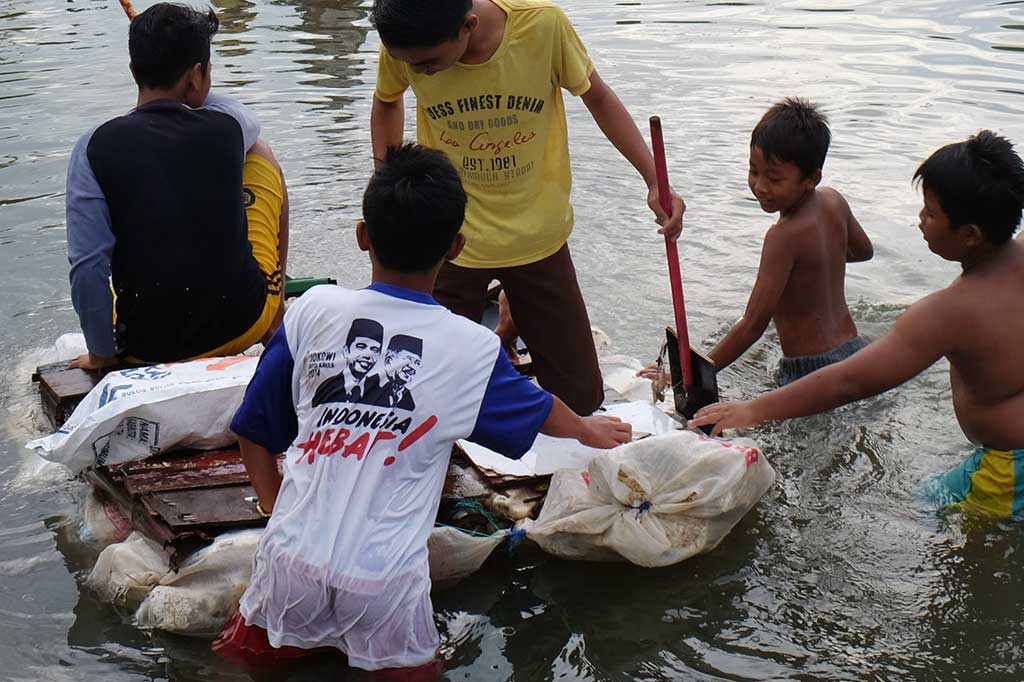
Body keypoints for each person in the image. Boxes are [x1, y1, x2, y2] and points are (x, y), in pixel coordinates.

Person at [213, 143, 632, 679]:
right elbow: (542, 408)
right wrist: (587, 428)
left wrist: (277, 513)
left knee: (244, 664)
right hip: (384, 581)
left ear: (363, 235)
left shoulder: (313, 309)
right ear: (456, 247)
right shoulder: (469, 348)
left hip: (289, 562)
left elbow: (251, 428)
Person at [369, 0, 685, 415]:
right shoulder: (408, 38)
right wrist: (386, 184)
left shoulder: (543, 26)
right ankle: (501, 328)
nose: (421, 72)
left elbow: (599, 98)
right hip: (449, 237)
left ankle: (509, 320)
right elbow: (388, 100)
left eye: (428, 64)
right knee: (417, 389)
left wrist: (654, 180)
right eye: (411, 65)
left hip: (538, 236)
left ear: (468, 25)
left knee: (582, 399)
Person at [689, 130, 1024, 520]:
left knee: (950, 545)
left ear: (970, 235)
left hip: (1010, 467)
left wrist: (752, 409)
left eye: (930, 214)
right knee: (930, 499)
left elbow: (850, 381)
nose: (920, 220)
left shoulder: (947, 313)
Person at [66, 3, 289, 369]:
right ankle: (274, 315)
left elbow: (88, 268)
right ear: (197, 75)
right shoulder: (229, 128)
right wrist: (194, 86)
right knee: (261, 155)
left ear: (133, 70)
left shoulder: (91, 147)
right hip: (242, 324)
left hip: (144, 348)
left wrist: (101, 357)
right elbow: (246, 116)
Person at [310, 318, 384, 406]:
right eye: (361, 346)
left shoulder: (381, 393)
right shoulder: (327, 387)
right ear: (346, 351)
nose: (368, 355)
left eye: (374, 350)